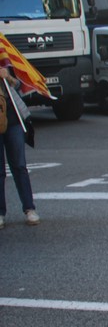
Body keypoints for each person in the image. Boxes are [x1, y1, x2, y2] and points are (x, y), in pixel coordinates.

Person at [0, 66, 39, 229]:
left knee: (19, 165)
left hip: (13, 120)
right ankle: (0, 213)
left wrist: (7, 77)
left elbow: (19, 85)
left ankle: (29, 209)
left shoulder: (6, 59)